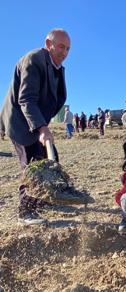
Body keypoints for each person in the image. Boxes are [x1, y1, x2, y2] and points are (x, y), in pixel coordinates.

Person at [0, 28, 71, 225]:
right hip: (20, 121)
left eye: (68, 49)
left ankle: (45, 199)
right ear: (49, 44)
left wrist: (43, 127)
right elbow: (26, 100)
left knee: (51, 158)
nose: (64, 52)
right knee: (32, 165)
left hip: (37, 120)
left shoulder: (57, 68)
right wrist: (41, 128)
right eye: (60, 47)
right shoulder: (33, 60)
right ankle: (26, 211)